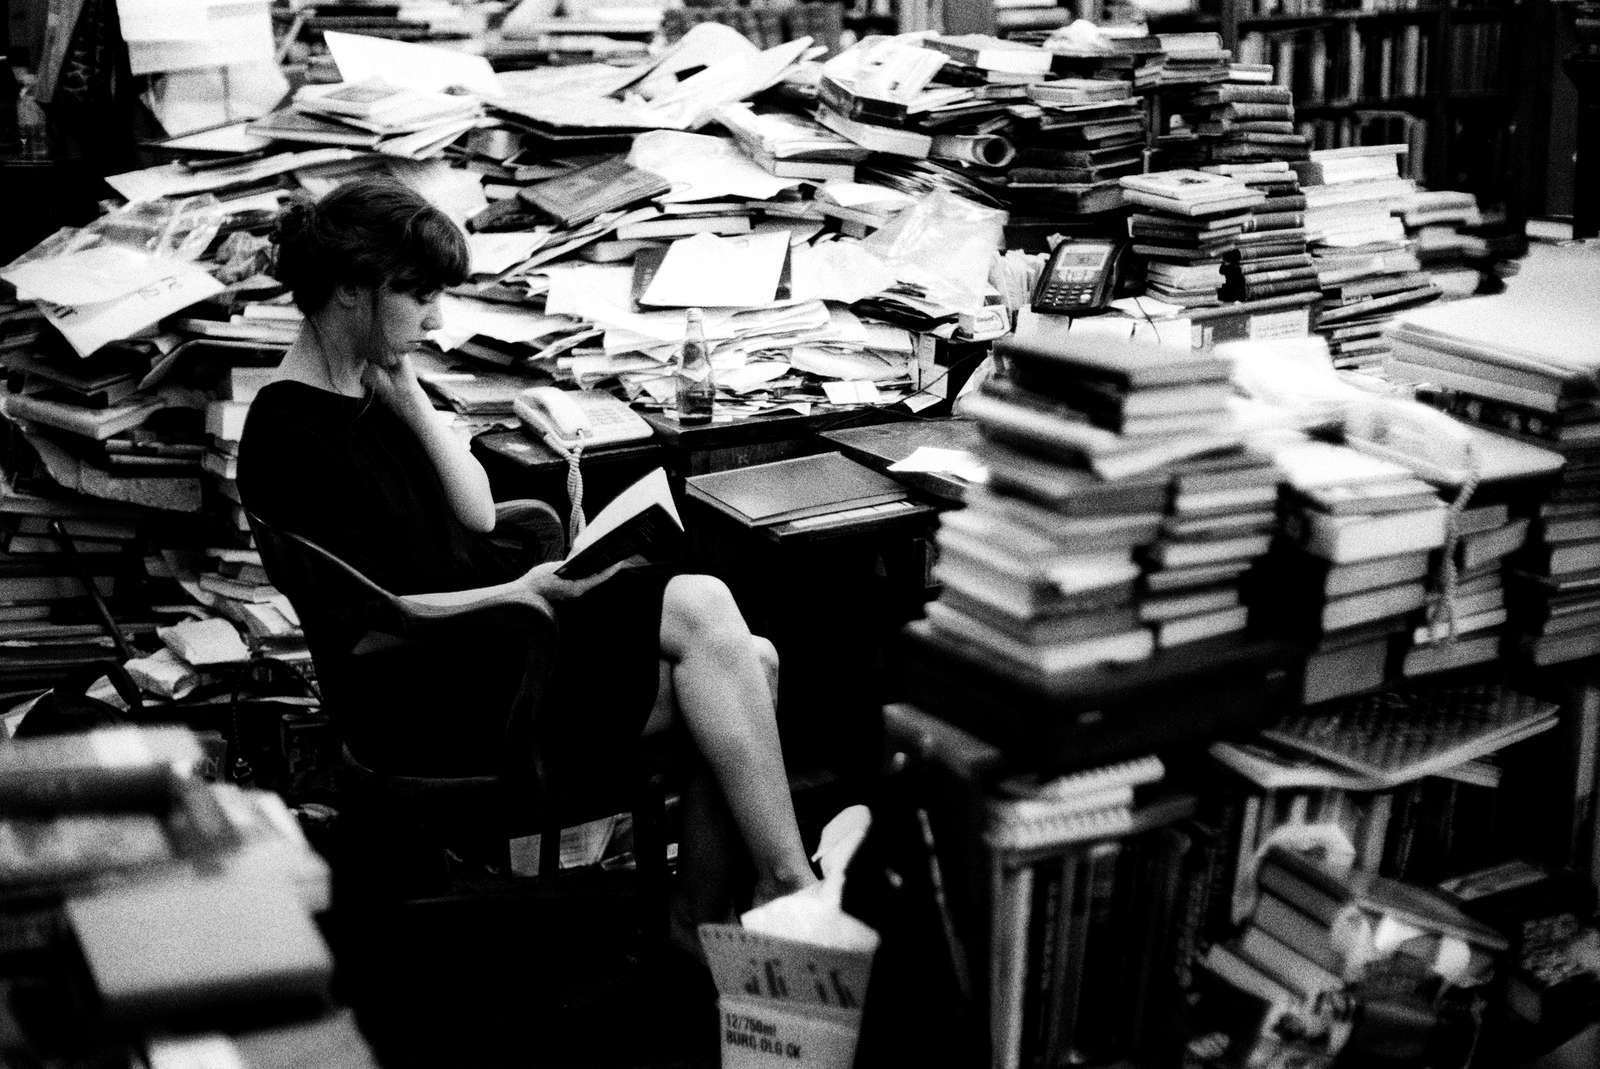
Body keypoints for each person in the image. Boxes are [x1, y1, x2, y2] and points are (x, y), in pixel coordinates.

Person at [236, 176, 818, 949]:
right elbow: (375, 617)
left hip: (488, 650)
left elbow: (476, 511)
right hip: (433, 694)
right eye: (416, 294)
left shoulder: (369, 385)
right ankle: (766, 893)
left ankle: (712, 915)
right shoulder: (288, 437)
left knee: (752, 657)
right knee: (711, 613)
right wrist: (526, 590)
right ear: (348, 289)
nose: (435, 316)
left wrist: (411, 399)